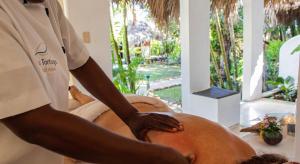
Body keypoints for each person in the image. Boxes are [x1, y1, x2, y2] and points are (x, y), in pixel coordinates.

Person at [0, 0, 188, 163]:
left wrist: (131, 115)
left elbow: (82, 63)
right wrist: (154, 157)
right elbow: (33, 123)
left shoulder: (49, 6)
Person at [67, 86, 299, 164]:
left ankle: (83, 98)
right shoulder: (181, 154)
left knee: (93, 103)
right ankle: (83, 99)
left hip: (144, 105)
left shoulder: (247, 153)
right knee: (89, 107)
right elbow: (102, 146)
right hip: (104, 116)